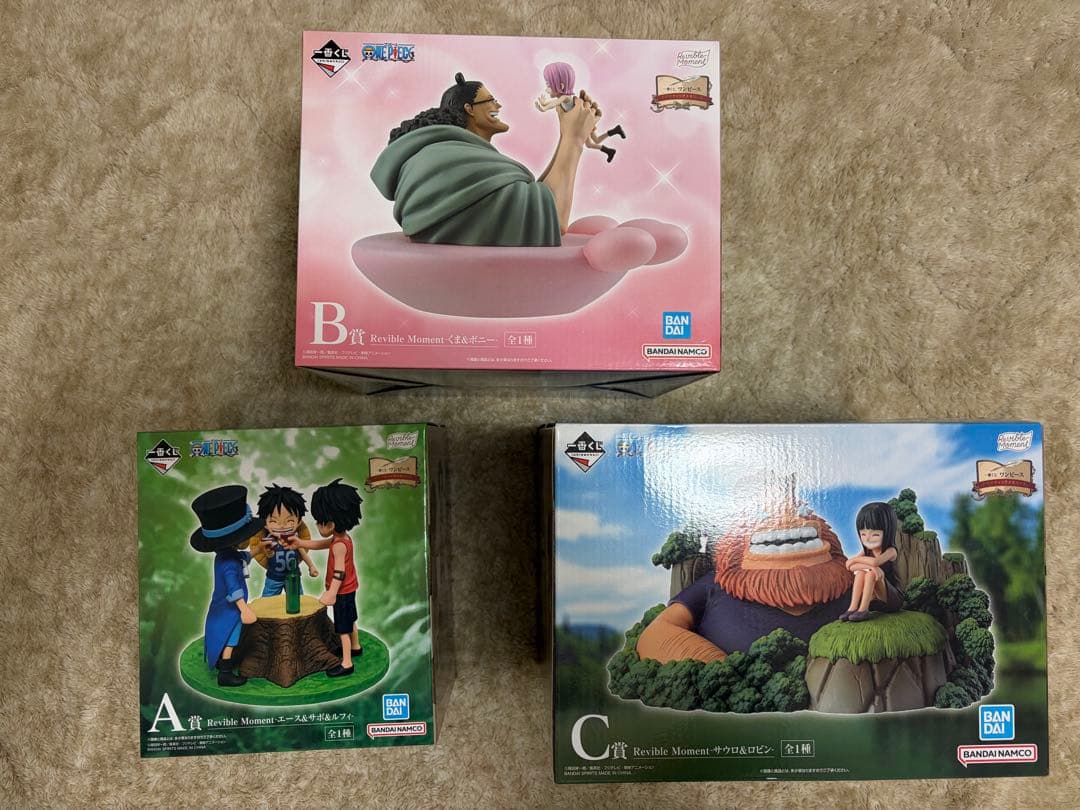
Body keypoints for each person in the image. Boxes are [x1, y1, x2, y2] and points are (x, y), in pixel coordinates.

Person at [371, 72, 602, 245]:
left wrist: (567, 132)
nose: (497, 105)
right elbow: (551, 218)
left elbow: (536, 199)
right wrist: (573, 138)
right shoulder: (451, 161)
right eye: (490, 100)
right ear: (469, 109)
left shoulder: (454, 157)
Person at [188, 485, 262, 687]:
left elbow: (243, 558)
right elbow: (234, 590)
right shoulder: (228, 563)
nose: (250, 538)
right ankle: (226, 673)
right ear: (235, 539)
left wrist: (257, 550)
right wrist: (244, 609)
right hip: (230, 611)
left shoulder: (227, 555)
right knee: (231, 638)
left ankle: (224, 663)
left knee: (229, 637)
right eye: (247, 536)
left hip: (226, 608)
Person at [292, 479, 364, 677]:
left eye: (319, 522)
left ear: (331, 524)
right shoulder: (341, 538)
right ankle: (356, 646)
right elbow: (321, 544)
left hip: (342, 592)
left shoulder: (339, 545)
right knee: (351, 620)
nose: (317, 525)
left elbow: (339, 573)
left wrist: (332, 592)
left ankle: (347, 663)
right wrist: (300, 542)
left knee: (342, 628)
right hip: (350, 589)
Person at [535, 62, 625, 162]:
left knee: (595, 141)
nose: (546, 90)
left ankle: (613, 140)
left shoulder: (565, 97)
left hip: (583, 123)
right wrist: (544, 103)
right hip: (580, 123)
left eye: (548, 85)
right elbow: (553, 102)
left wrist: (545, 108)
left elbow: (554, 103)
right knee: (592, 143)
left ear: (561, 85)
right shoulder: (561, 98)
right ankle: (611, 143)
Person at [249, 484, 318, 597]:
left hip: (293, 577)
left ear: (299, 522)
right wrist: (269, 552)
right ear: (265, 524)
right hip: (273, 578)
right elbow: (266, 553)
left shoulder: (295, 540)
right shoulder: (268, 540)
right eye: (274, 521)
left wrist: (311, 566)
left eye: (289, 521)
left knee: (297, 600)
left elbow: (303, 553)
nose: (281, 526)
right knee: (267, 601)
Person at [840, 502, 903, 622]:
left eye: (875, 535)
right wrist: (872, 567)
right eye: (863, 534)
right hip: (876, 600)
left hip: (892, 600)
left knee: (870, 574)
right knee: (861, 573)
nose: (867, 538)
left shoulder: (891, 551)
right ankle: (853, 608)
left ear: (887, 532)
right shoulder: (868, 551)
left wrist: (857, 560)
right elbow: (849, 566)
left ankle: (863, 609)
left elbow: (875, 562)